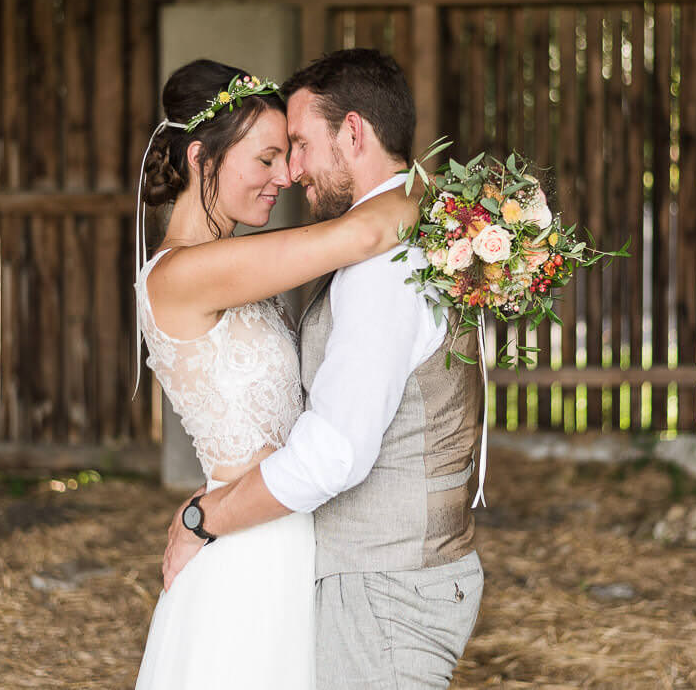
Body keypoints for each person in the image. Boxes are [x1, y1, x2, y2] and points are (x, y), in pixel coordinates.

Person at [161, 48, 486, 690]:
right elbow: (359, 236)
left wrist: (207, 517)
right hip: (275, 547)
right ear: (201, 157)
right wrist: (416, 202)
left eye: (297, 146)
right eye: (269, 156)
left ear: (355, 132)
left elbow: (334, 450)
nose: (289, 173)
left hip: (331, 558)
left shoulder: (385, 258)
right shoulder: (191, 272)